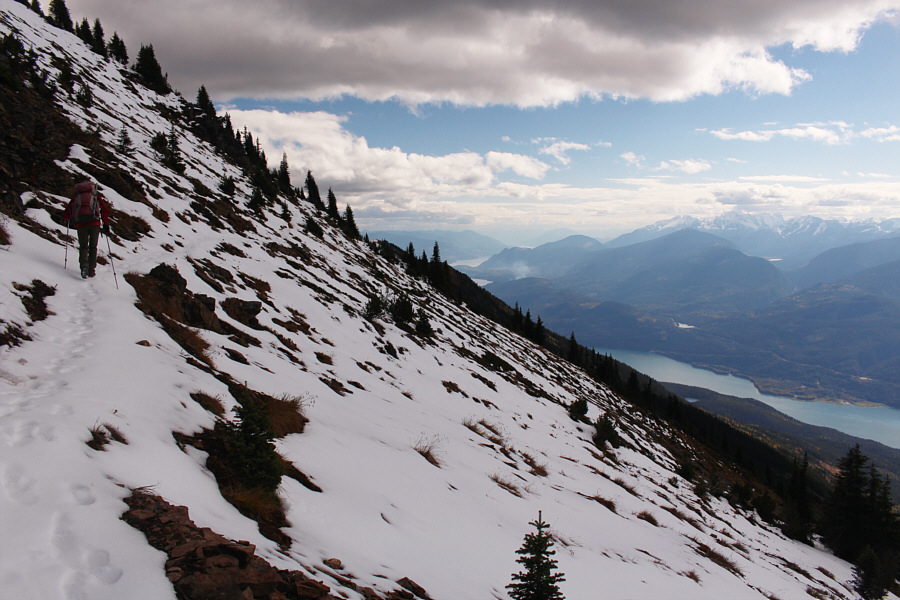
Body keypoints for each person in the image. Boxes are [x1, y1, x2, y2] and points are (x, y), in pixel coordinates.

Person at [62, 180, 111, 279]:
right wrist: (106, 224)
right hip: (94, 224)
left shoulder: (77, 196)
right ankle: (91, 270)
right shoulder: (95, 195)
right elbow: (104, 210)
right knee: (93, 247)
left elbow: (68, 211)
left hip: (81, 224)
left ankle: (84, 266)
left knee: (83, 247)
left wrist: (69, 218)